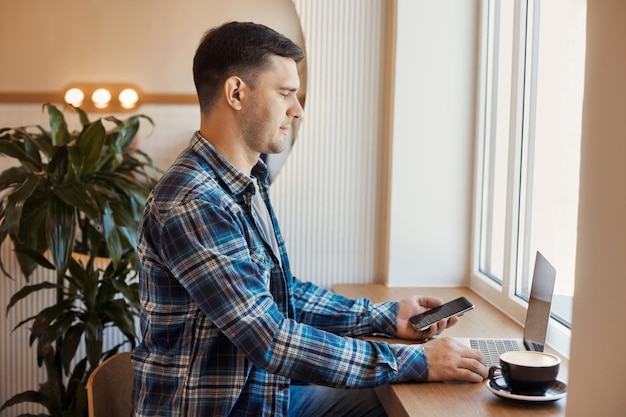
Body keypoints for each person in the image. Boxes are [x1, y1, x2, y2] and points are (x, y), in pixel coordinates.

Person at [131, 21, 487, 417]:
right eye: (285, 93)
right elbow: (271, 338)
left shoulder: (244, 181)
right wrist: (418, 362)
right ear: (236, 93)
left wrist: (385, 316)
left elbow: (278, 293)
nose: (297, 111)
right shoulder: (193, 201)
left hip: (265, 396)